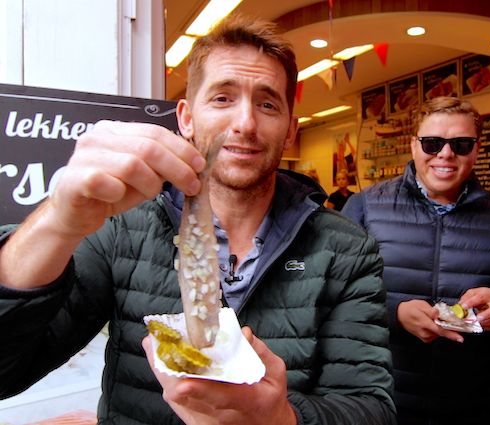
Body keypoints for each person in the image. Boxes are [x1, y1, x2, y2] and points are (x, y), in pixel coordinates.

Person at [0, 14, 395, 425]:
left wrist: (280, 417)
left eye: (267, 103)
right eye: (222, 98)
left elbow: (371, 407)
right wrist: (58, 222)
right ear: (186, 118)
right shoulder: (123, 228)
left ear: (290, 130)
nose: (245, 124)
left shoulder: (346, 248)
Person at [342, 96, 490, 425]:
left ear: (477, 149)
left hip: (472, 403)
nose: (445, 154)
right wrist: (394, 313)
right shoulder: (364, 208)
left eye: (461, 144)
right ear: (414, 145)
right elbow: (332, 301)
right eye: (432, 143)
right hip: (379, 400)